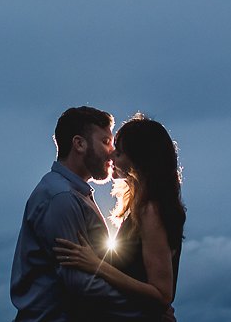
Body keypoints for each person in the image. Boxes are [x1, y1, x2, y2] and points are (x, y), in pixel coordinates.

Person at [12, 106, 147, 321]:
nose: (112, 152)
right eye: (105, 141)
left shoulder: (72, 193)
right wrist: (144, 312)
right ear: (79, 144)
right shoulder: (61, 197)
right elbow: (80, 283)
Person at [54, 113, 185, 318]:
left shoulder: (151, 211)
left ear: (139, 160)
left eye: (120, 153)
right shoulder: (139, 209)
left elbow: (162, 293)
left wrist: (97, 265)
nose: (112, 156)